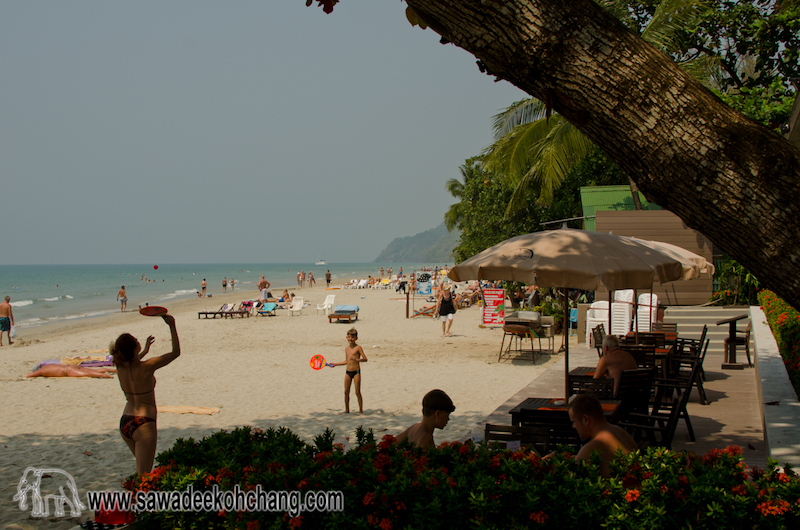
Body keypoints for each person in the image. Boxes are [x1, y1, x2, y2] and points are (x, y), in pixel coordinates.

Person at [111, 314, 180, 475]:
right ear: (136, 348)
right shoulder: (147, 366)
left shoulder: (120, 366)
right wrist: (172, 325)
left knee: (142, 470)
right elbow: (175, 352)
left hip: (126, 421)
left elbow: (131, 362)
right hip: (143, 423)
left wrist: (144, 351)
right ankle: (137, 500)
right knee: (144, 476)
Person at [567, 394, 638, 478]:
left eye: (574, 422)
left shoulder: (592, 448)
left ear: (585, 419)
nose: (573, 426)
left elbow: (572, 479)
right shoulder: (621, 432)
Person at [328, 328, 368, 415]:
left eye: (352, 337)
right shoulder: (346, 349)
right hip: (348, 372)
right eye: (349, 337)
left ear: (356, 338)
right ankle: (347, 410)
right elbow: (346, 361)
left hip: (356, 372)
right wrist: (335, 364)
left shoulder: (358, 348)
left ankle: (361, 410)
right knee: (346, 392)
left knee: (357, 392)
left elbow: (365, 359)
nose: (350, 339)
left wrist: (357, 360)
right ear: (346, 337)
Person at [27, 365, 117, 378]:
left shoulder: (41, 371)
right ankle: (112, 370)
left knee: (88, 374)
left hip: (68, 371)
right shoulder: (46, 366)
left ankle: (105, 375)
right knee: (94, 370)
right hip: (70, 366)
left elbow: (30, 375)